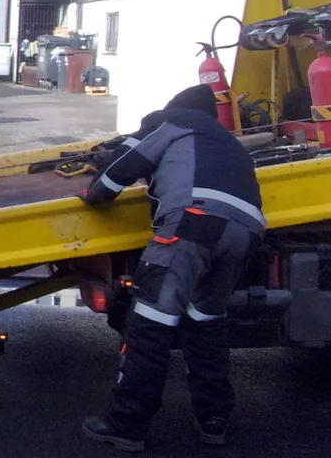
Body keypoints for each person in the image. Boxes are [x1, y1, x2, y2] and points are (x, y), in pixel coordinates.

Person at [76, 84, 264, 452]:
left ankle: (126, 425)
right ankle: (214, 421)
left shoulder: (171, 121)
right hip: (246, 230)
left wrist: (96, 193)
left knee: (150, 325)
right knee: (206, 322)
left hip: (193, 223)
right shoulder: (228, 142)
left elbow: (122, 168)